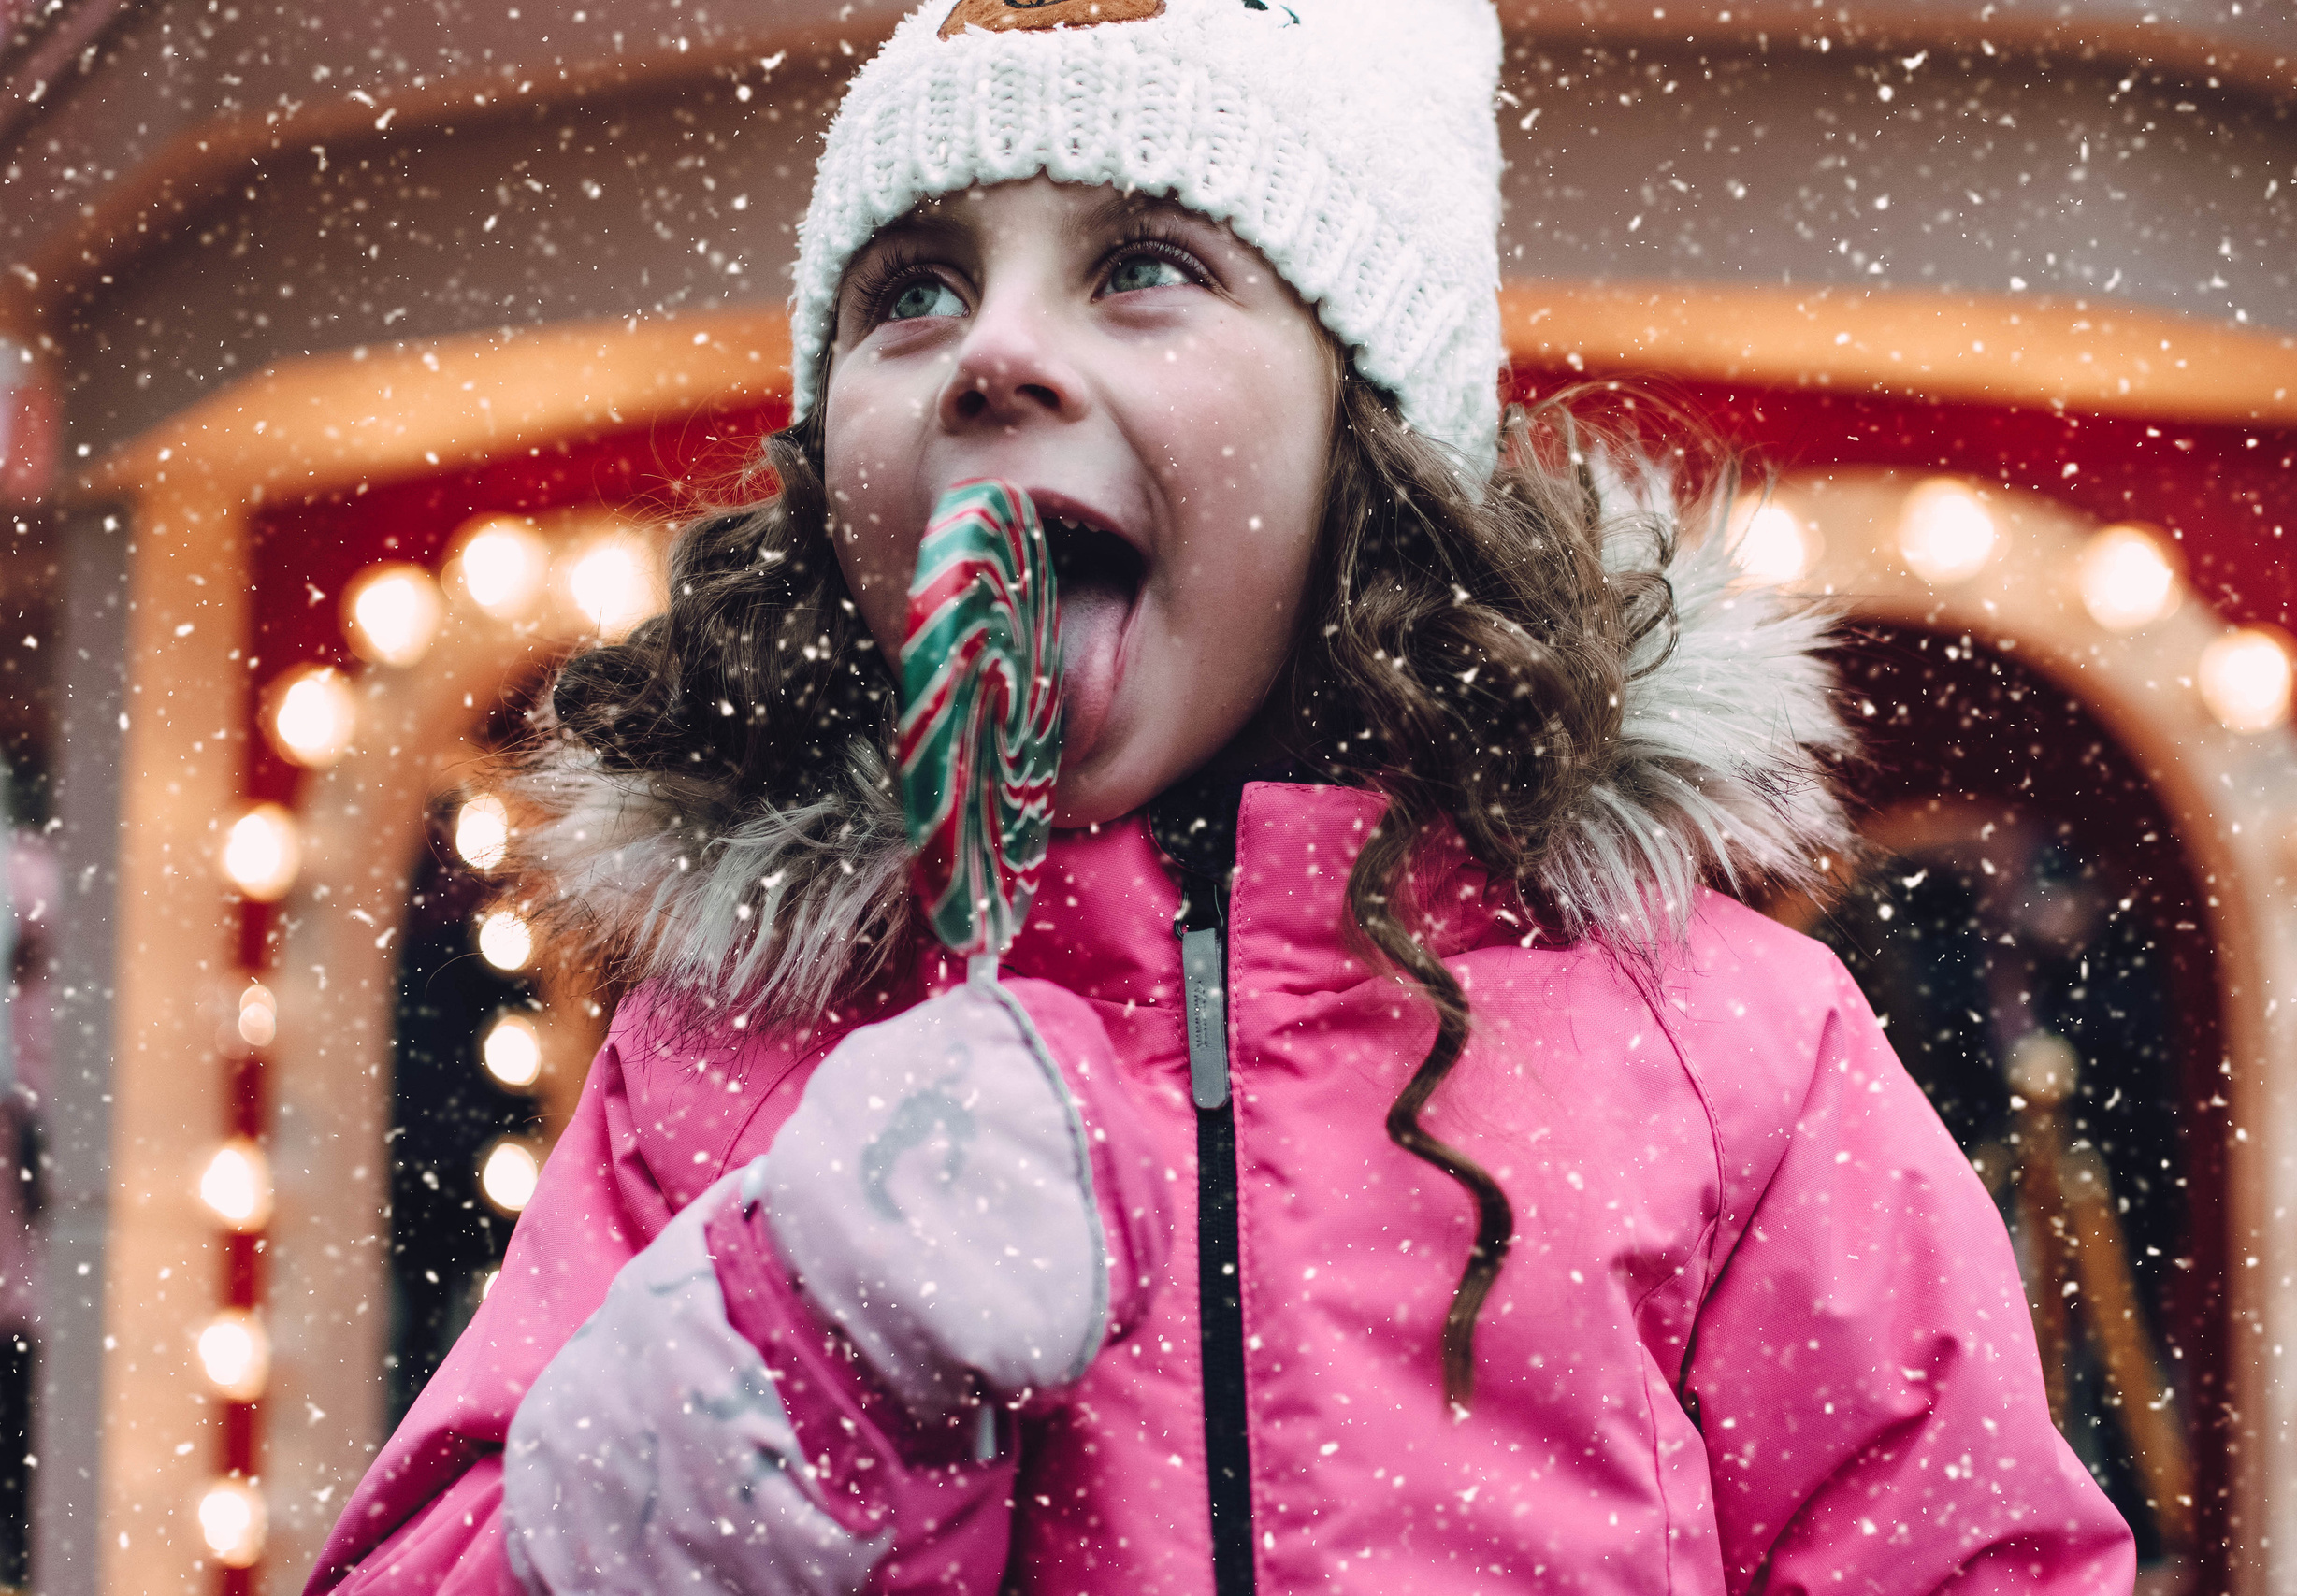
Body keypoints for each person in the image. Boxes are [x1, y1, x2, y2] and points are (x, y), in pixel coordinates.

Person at [309, 0, 2135, 1590]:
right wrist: (787, 1360)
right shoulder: (718, 1069)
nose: (993, 352)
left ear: (1366, 427)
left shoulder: (1724, 1045)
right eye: (912, 289)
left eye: (1143, 265)